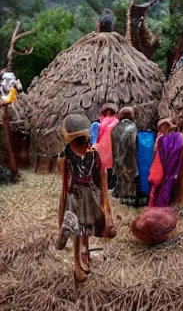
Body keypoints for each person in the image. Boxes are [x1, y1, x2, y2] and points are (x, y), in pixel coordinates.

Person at [56, 114, 116, 282]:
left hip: (88, 197)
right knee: (76, 229)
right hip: (75, 197)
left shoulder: (94, 155)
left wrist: (105, 205)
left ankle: (84, 252)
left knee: (86, 227)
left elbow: (101, 180)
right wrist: (63, 211)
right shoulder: (67, 156)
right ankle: (77, 262)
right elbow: (64, 184)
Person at [148, 118, 183, 208]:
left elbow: (180, 148)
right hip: (162, 166)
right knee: (160, 186)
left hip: (170, 167)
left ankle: (161, 206)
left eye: (164, 127)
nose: (163, 129)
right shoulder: (161, 139)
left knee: (165, 187)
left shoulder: (175, 138)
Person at [111, 107, 138, 204]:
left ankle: (122, 197)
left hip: (117, 158)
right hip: (130, 157)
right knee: (130, 178)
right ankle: (129, 198)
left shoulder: (115, 129)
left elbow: (113, 146)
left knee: (121, 177)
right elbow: (133, 144)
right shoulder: (133, 127)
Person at [92, 103, 119, 189]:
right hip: (113, 150)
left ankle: (105, 185)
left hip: (103, 150)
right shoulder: (116, 122)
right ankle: (111, 186)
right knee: (112, 168)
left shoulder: (101, 123)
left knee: (104, 168)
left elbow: (97, 136)